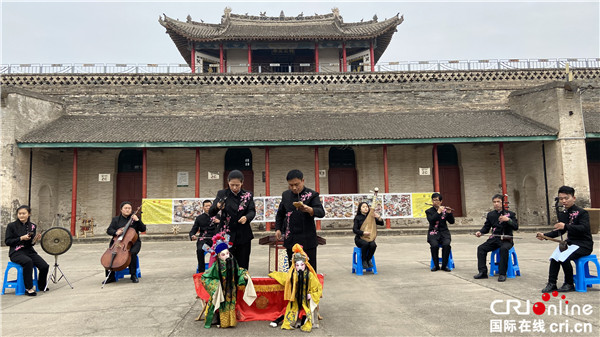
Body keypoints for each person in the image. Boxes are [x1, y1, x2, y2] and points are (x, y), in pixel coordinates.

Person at [537, 186, 594, 293]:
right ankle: (552, 283)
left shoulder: (582, 213)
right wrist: (544, 235)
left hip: (583, 245)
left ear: (574, 198)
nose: (563, 201)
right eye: (561, 198)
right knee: (554, 257)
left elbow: (584, 228)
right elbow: (560, 231)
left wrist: (566, 226)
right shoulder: (563, 213)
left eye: (566, 198)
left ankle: (569, 283)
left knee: (563, 257)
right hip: (570, 243)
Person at [201, 233, 255, 329]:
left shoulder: (233, 262)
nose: (226, 256)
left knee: (231, 304)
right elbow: (205, 277)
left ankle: (231, 322)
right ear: (218, 256)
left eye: (227, 253)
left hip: (231, 289)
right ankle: (221, 321)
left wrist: (244, 276)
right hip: (222, 289)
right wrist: (215, 285)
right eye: (223, 254)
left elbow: (239, 272)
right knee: (222, 305)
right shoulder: (216, 266)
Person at [275, 169, 325, 272]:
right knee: (293, 269)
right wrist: (278, 229)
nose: (294, 188)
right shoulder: (286, 195)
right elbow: (280, 214)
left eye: (296, 184)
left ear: (303, 181)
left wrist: (310, 209)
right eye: (291, 185)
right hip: (291, 239)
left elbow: (321, 212)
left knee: (309, 270)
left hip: (307, 238)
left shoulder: (312, 194)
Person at [268, 244, 323, 332]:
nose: (300, 267)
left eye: (302, 265)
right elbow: (283, 277)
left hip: (306, 301)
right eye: (297, 265)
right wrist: (273, 274)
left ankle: (303, 321)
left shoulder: (310, 276)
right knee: (289, 312)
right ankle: (279, 320)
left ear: (305, 265)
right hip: (295, 300)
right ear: (294, 266)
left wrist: (312, 295)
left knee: (306, 313)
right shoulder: (292, 275)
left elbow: (318, 288)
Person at [209, 170, 255, 270]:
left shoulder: (247, 195)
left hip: (243, 235)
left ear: (242, 183)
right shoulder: (222, 194)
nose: (234, 188)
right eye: (232, 185)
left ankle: (242, 284)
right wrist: (217, 207)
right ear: (228, 182)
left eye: (237, 185)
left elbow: (252, 211)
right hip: (226, 236)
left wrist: (247, 217)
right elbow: (211, 212)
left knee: (243, 265)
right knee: (227, 266)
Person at [4, 205, 49, 296]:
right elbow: (8, 241)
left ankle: (41, 285)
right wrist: (21, 238)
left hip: (29, 251)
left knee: (44, 266)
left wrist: (35, 240)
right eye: (19, 214)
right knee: (28, 262)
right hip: (16, 252)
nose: (21, 215)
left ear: (29, 214)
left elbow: (30, 243)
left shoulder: (32, 226)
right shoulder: (11, 226)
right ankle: (28, 288)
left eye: (24, 213)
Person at [473, 194, 519, 282]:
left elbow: (516, 227)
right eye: (494, 202)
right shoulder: (491, 215)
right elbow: (486, 227)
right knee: (481, 248)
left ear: (502, 203)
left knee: (503, 249)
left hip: (506, 239)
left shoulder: (510, 214)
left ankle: (502, 274)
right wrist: (480, 232)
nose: (496, 204)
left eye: (498, 202)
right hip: (494, 239)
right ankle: (482, 272)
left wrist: (508, 220)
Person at [104, 201, 146, 284]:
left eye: (129, 208)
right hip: (118, 242)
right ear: (121, 210)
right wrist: (116, 232)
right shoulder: (116, 219)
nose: (127, 210)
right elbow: (109, 230)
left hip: (133, 243)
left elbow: (143, 229)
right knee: (110, 253)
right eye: (125, 208)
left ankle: (133, 275)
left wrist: (138, 220)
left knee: (132, 253)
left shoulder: (135, 219)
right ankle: (110, 277)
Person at [425, 193, 455, 272]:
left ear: (441, 201)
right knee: (434, 245)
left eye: (437, 200)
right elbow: (431, 220)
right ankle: (436, 265)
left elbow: (452, 222)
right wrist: (438, 212)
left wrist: (449, 213)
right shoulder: (429, 211)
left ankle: (444, 266)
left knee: (446, 245)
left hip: (444, 233)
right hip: (433, 233)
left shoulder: (445, 210)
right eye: (433, 200)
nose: (435, 202)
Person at [190, 200, 220, 272]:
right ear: (203, 208)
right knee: (200, 250)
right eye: (206, 206)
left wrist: (219, 222)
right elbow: (194, 229)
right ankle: (201, 270)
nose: (208, 207)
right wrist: (192, 235)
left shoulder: (218, 216)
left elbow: (224, 226)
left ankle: (219, 269)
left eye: (210, 206)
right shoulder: (199, 218)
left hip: (215, 239)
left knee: (222, 249)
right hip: (204, 239)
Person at [353, 201, 384, 269]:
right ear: (360, 209)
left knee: (373, 245)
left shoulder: (371, 217)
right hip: (359, 238)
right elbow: (354, 230)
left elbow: (381, 223)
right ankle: (363, 260)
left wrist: (378, 217)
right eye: (363, 207)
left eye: (366, 207)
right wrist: (363, 233)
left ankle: (368, 259)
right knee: (365, 244)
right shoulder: (357, 218)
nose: (365, 208)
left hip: (369, 238)